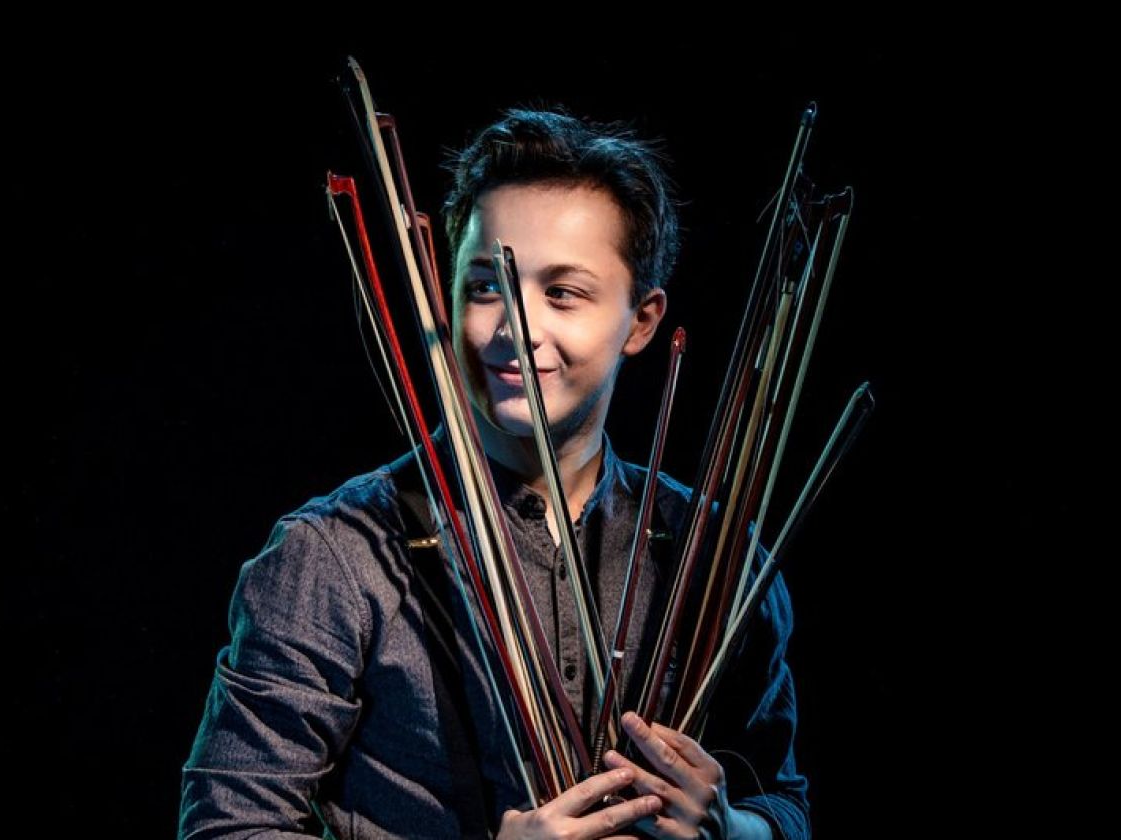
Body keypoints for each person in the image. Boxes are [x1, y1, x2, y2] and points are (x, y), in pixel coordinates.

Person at [179, 108, 810, 840]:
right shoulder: (333, 556)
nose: (515, 326)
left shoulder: (717, 553)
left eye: (563, 292)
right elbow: (227, 828)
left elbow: (786, 802)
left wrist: (732, 827)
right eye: (485, 287)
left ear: (642, 320)